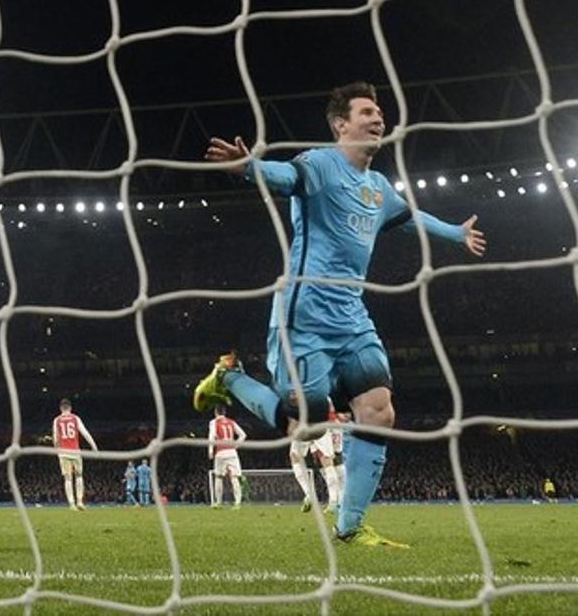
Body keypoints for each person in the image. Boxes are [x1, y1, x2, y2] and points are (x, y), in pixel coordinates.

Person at [196, 81, 486, 547]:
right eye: (367, 112)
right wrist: (247, 167)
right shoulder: (319, 164)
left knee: (378, 410)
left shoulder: (376, 187)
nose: (379, 118)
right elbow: (284, 178)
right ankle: (229, 379)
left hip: (351, 317)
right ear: (341, 124)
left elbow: (410, 216)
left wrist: (455, 233)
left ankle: (350, 526)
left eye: (380, 112)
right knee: (304, 425)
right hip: (303, 313)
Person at [51, 398, 98, 510]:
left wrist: (56, 449)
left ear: (60, 408)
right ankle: (80, 501)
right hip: (75, 451)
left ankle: (71, 504)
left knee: (67, 478)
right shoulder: (75, 418)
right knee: (79, 476)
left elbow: (56, 438)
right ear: (70, 408)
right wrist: (94, 446)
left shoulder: (57, 420)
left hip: (63, 452)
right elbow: (85, 433)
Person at [208, 405, 246, 510]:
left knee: (219, 477)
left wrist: (210, 450)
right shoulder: (231, 422)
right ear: (225, 412)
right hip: (232, 452)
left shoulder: (214, 422)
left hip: (220, 452)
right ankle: (237, 503)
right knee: (234, 477)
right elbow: (243, 435)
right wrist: (235, 446)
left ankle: (218, 502)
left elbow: (211, 436)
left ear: (216, 412)